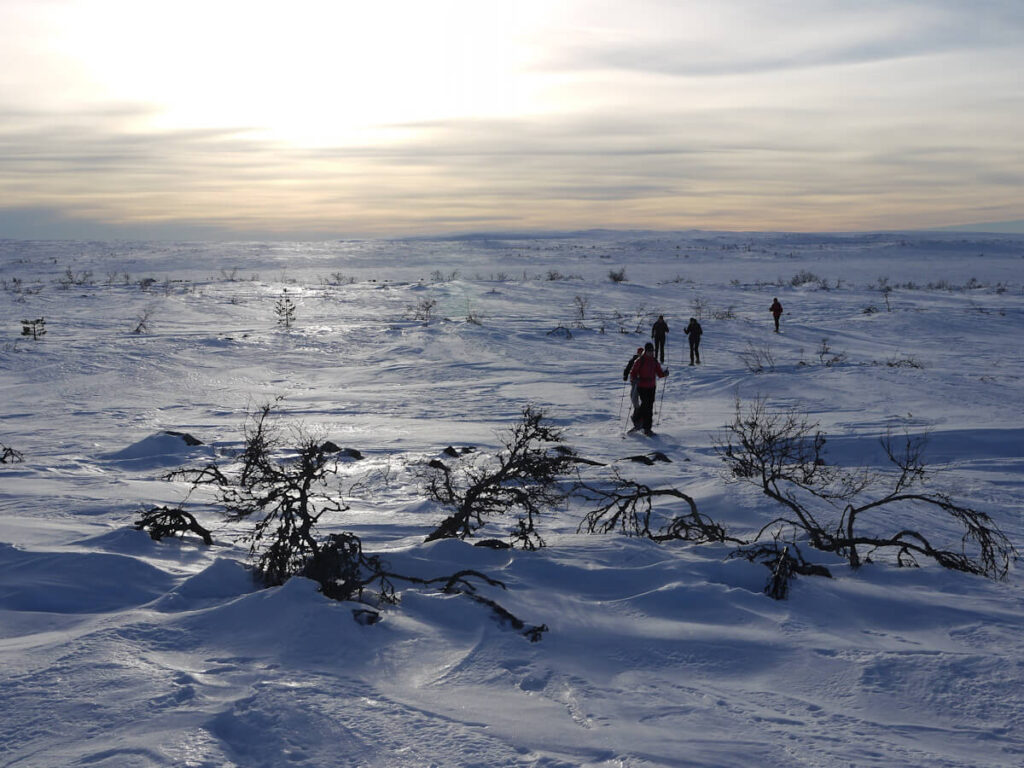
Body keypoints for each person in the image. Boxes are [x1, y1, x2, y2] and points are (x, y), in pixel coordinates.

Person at [629, 342, 669, 436]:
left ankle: (647, 428)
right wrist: (634, 379)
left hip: (651, 386)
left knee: (649, 406)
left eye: (652, 351)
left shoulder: (654, 361)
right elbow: (633, 372)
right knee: (646, 404)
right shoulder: (640, 360)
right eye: (649, 351)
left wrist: (664, 374)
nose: (651, 353)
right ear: (645, 351)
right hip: (642, 386)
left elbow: (659, 373)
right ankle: (637, 419)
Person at [622, 346, 643, 427]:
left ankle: (638, 417)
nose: (640, 354)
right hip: (633, 382)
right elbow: (627, 368)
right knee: (633, 398)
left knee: (635, 398)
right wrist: (625, 375)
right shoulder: (633, 360)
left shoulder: (644, 361)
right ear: (637, 353)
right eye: (639, 353)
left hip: (641, 383)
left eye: (642, 353)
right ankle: (637, 415)